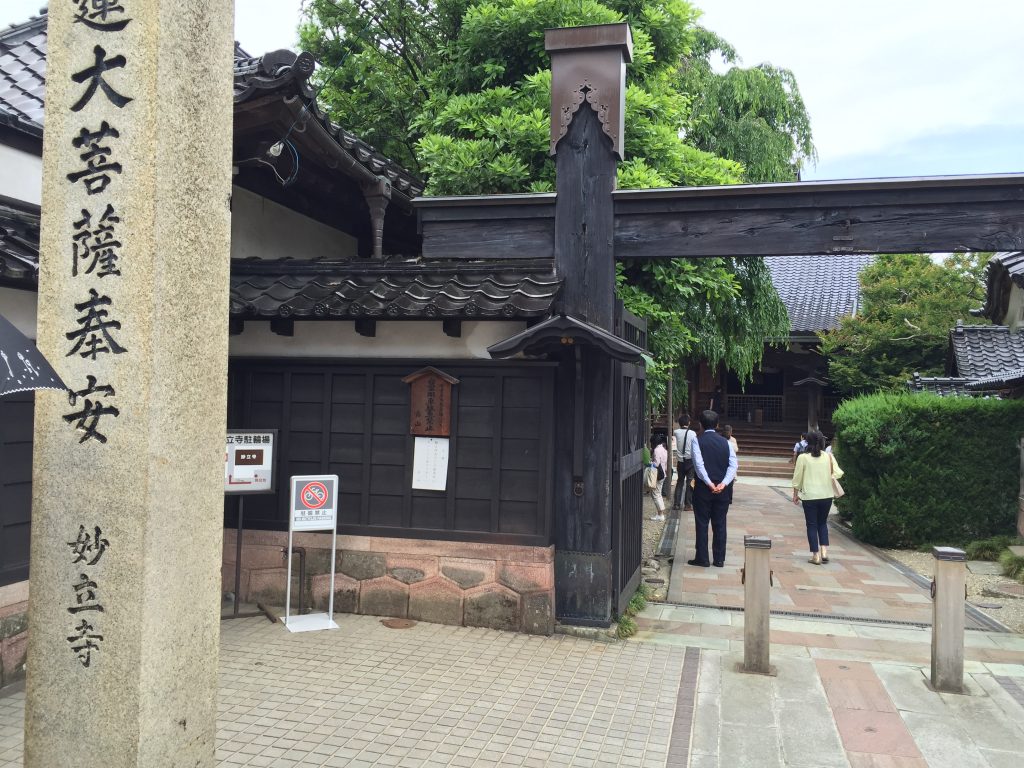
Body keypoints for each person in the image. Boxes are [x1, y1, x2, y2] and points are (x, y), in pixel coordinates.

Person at [688, 410, 737, 567]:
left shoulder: (697, 440)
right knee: (720, 523)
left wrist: (709, 483)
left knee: (702, 522)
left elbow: (698, 464)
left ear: (700, 424)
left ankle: (702, 558)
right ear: (717, 425)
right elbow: (733, 465)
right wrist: (723, 483)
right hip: (723, 489)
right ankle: (719, 558)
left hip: (704, 488)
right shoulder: (727, 443)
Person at [791, 430, 844, 565]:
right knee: (822, 523)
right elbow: (838, 472)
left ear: (807, 442)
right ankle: (824, 551)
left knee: (812, 525)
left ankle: (815, 555)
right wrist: (829, 477)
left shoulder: (803, 457)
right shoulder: (828, 456)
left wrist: (795, 494)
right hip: (826, 495)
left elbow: (797, 478)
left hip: (810, 496)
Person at [672, 416, 696, 511]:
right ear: (689, 423)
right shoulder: (693, 433)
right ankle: (688, 505)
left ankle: (676, 504)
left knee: (680, 482)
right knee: (690, 482)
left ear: (680, 423)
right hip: (690, 461)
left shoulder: (676, 432)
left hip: (680, 462)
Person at [648, 433, 669, 522]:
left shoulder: (656, 450)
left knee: (655, 494)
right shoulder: (664, 449)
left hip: (658, 474)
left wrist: (649, 463)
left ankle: (660, 514)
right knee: (658, 493)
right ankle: (660, 513)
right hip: (663, 473)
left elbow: (656, 463)